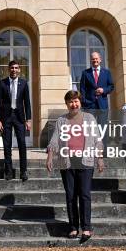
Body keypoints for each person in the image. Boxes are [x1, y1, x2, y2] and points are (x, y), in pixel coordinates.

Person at [46, 90, 104, 243]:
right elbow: (54, 140)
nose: (74, 104)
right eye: (70, 102)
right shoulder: (61, 120)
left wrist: (100, 158)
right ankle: (73, 227)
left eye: (76, 101)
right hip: (67, 162)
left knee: (84, 194)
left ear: (80, 102)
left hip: (86, 161)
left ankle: (86, 227)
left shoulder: (90, 118)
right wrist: (50, 157)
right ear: (66, 104)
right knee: (71, 196)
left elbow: (98, 140)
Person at [0, 60, 32, 181]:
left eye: (16, 68)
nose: (14, 70)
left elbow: (27, 103)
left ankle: (23, 171)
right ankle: (8, 172)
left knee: (22, 144)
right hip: (6, 118)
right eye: (12, 68)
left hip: (20, 118)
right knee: (7, 145)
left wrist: (28, 119)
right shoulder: (2, 83)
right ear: (8, 69)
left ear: (19, 70)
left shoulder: (24, 83)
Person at [79, 51, 114, 151]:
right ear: (91, 60)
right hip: (89, 105)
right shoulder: (85, 73)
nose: (95, 60)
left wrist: (104, 90)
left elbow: (111, 86)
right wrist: (84, 102)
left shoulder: (106, 72)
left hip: (102, 105)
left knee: (102, 128)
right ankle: (89, 150)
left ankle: (103, 151)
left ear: (100, 59)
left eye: (96, 58)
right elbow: (82, 89)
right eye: (93, 59)